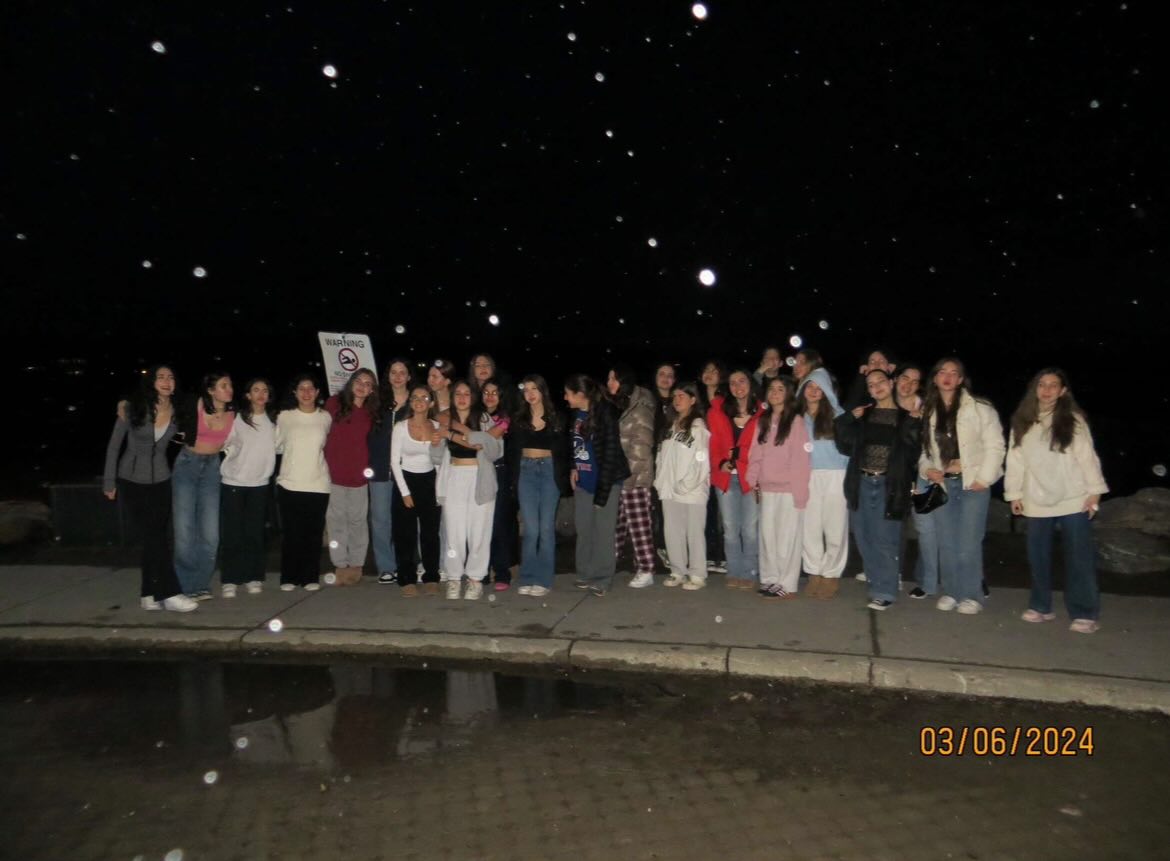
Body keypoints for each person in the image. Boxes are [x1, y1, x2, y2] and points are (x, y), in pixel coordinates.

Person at [1004, 368, 1108, 633]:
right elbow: (1015, 460)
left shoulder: (1073, 420)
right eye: (1042, 384)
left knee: (1078, 557)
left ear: (1063, 391)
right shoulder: (1023, 421)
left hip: (1073, 497)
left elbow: (1087, 457)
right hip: (1036, 497)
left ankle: (1084, 611)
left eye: (1053, 385)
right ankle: (1041, 606)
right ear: (1035, 388)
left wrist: (1095, 491)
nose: (1047, 390)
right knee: (1038, 556)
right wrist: (1014, 493)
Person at [103, 365, 197, 612]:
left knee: (155, 536)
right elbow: (114, 446)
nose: (166, 381)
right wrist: (109, 481)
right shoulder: (132, 408)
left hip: (162, 480)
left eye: (171, 377)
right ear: (151, 382)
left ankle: (148, 594)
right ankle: (170, 593)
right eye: (161, 377)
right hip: (132, 480)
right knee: (154, 536)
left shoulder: (177, 411)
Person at [919, 358, 1005, 615]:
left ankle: (971, 594)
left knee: (969, 542)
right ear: (935, 378)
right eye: (942, 372)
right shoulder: (928, 410)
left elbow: (995, 446)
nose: (947, 376)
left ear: (960, 379)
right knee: (946, 541)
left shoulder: (980, 408)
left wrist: (983, 478)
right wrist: (928, 469)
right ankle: (951, 591)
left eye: (953, 372)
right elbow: (924, 451)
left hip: (972, 484)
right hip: (944, 484)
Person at [835, 369, 921, 610]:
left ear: (891, 383)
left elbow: (912, 454)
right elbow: (843, 444)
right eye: (871, 385)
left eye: (880, 381)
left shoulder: (905, 417)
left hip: (888, 485)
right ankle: (877, 584)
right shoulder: (864, 415)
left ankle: (886, 591)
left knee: (885, 539)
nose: (877, 387)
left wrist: (913, 424)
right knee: (864, 537)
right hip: (861, 482)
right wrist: (848, 417)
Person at [565, 374, 632, 597]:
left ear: (580, 394)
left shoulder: (605, 413)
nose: (565, 398)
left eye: (568, 393)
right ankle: (585, 572)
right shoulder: (577, 415)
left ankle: (603, 577)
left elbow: (611, 453)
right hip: (583, 481)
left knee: (603, 531)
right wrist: (573, 466)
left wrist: (602, 495)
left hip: (607, 481)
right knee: (584, 529)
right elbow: (575, 444)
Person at [746, 377, 811, 600]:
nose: (774, 392)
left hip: (789, 490)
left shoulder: (795, 421)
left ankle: (787, 583)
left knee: (787, 538)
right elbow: (755, 452)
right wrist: (752, 480)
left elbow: (801, 460)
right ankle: (770, 579)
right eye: (772, 389)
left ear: (788, 394)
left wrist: (800, 494)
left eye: (780, 389)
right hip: (767, 488)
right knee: (768, 537)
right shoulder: (763, 421)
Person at [437, 380, 503, 600]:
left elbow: (489, 448)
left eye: (467, 393)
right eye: (458, 394)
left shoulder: (484, 419)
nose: (462, 398)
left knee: (479, 530)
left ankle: (475, 578)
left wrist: (451, 434)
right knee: (453, 531)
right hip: (454, 475)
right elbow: (435, 454)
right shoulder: (445, 419)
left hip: (480, 477)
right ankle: (454, 577)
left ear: (473, 397)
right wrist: (437, 438)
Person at [173, 371, 236, 600]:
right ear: (210, 390)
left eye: (230, 385)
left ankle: (200, 584)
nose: (229, 389)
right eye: (223, 385)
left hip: (212, 469)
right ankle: (185, 586)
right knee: (184, 530)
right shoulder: (195, 403)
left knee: (211, 534)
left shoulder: (234, 412)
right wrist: (125, 401)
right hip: (187, 465)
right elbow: (165, 400)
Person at [507, 375, 569, 597]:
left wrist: (567, 475)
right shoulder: (518, 418)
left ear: (543, 391)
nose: (530, 393)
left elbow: (565, 451)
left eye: (535, 389)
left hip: (549, 471)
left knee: (546, 528)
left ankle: (543, 579)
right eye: (526, 390)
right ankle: (527, 576)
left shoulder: (557, 418)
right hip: (526, 471)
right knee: (531, 529)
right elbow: (512, 452)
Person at [219, 378, 277, 597]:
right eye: (256, 390)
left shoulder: (274, 421)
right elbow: (223, 442)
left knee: (255, 533)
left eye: (265, 390)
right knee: (232, 534)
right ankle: (231, 579)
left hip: (260, 484)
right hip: (233, 482)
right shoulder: (236, 418)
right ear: (248, 395)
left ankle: (254, 576)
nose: (261, 394)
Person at [275, 374, 332, 591]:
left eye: (310, 388)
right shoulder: (284, 417)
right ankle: (289, 576)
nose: (306, 392)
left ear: (317, 393)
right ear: (295, 392)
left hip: (318, 483)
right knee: (291, 533)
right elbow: (276, 445)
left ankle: (310, 577)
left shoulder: (325, 417)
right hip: (289, 482)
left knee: (313, 534)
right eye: (301, 388)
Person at [707, 369, 763, 590]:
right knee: (730, 528)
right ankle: (734, 570)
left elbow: (763, 447)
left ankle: (749, 571)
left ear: (751, 383)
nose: (738, 386)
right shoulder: (718, 412)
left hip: (751, 478)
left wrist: (740, 455)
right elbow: (713, 445)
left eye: (742, 381)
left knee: (750, 529)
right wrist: (721, 462)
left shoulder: (763, 412)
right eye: (733, 382)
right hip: (726, 478)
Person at [798, 367, 850, 599]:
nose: (813, 391)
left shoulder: (838, 415)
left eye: (819, 387)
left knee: (835, 526)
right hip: (808, 475)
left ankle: (831, 574)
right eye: (809, 386)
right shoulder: (797, 417)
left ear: (827, 391)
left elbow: (849, 449)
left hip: (835, 474)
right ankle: (814, 572)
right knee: (809, 527)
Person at [655, 382, 712, 590]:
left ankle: (697, 574)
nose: (677, 400)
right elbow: (661, 456)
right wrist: (660, 480)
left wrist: (686, 484)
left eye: (682, 396)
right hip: (669, 488)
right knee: (672, 530)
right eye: (675, 396)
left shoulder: (698, 427)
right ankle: (677, 570)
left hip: (692, 490)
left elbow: (701, 460)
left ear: (693, 400)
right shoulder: (670, 426)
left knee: (694, 531)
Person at [324, 368, 378, 585]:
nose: (362, 386)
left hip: (359, 476)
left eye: (368, 383)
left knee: (358, 522)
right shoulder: (334, 404)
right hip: (334, 474)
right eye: (359, 381)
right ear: (351, 382)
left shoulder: (372, 413)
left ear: (372, 390)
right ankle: (340, 564)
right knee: (336, 522)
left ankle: (356, 564)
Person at [390, 385, 444, 596]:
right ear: (410, 402)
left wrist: (438, 490)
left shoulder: (438, 427)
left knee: (430, 533)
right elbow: (394, 462)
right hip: (406, 480)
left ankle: (431, 577)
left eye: (424, 397)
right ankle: (407, 579)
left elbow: (440, 461)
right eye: (415, 397)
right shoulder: (401, 427)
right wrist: (404, 492)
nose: (419, 401)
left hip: (430, 481)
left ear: (431, 403)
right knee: (405, 534)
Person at [606, 364, 657, 588]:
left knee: (639, 524)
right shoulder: (622, 403)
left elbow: (641, 446)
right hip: (620, 474)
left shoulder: (640, 406)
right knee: (617, 523)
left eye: (613, 378)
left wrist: (629, 477)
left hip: (635, 476)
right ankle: (608, 563)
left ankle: (646, 568)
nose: (609, 383)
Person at [372, 359, 412, 585]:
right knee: (380, 519)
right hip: (380, 469)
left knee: (407, 519)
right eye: (393, 372)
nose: (397, 376)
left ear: (409, 376)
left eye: (402, 372)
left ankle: (410, 563)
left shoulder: (417, 401)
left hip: (408, 470)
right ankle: (386, 567)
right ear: (387, 376)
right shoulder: (377, 402)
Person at [481, 378, 517, 590]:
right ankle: (482, 570)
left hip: (499, 471)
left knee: (498, 523)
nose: (490, 396)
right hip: (477, 470)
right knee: (480, 523)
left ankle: (502, 572)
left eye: (494, 392)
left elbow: (484, 439)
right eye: (486, 392)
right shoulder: (476, 415)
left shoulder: (505, 418)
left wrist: (462, 433)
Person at [697, 359, 728, 575]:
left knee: (723, 513)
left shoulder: (726, 401)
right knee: (706, 511)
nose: (709, 374)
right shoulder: (696, 399)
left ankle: (723, 555)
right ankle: (709, 554)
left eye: (714, 371)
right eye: (706, 370)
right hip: (701, 462)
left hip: (721, 461)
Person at [650, 361, 678, 567]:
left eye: (670, 375)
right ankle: (659, 547)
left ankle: (672, 548)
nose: (666, 378)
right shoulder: (647, 401)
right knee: (657, 507)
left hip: (675, 461)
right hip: (653, 461)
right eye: (662, 374)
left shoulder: (679, 401)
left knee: (673, 508)